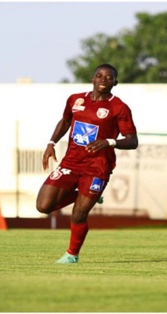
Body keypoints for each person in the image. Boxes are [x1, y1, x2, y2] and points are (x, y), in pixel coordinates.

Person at [36, 64, 138, 264]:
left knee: (79, 213)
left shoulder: (119, 107)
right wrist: (51, 143)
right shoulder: (75, 100)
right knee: (43, 206)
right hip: (71, 162)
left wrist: (109, 141)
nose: (103, 80)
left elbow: (132, 141)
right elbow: (65, 121)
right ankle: (90, 195)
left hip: (98, 167)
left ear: (115, 83)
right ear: (92, 78)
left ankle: (72, 255)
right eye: (99, 76)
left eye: (109, 77)